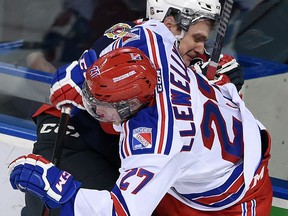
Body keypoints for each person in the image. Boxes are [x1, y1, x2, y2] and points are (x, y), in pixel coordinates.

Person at [19, 0, 244, 215]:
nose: (201, 49)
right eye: (197, 38)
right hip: (76, 135)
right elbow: (67, 90)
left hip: (123, 152)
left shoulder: (193, 62)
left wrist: (219, 89)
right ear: (170, 25)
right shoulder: (126, 41)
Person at [9, 45, 272, 215]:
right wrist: (82, 67)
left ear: (130, 104)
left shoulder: (155, 144)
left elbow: (122, 211)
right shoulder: (157, 47)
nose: (92, 108)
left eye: (101, 106)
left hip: (228, 203)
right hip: (204, 161)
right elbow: (135, 29)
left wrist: (61, 190)